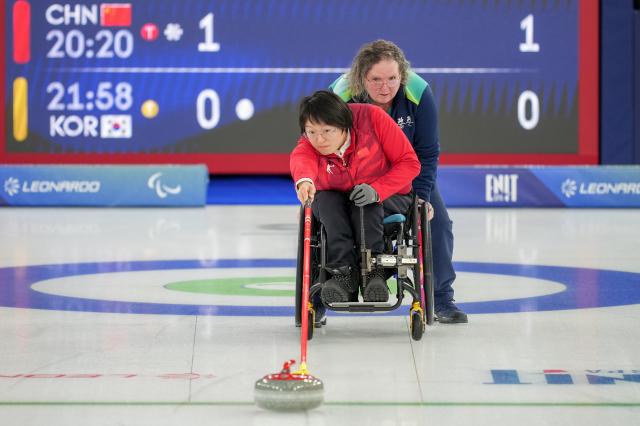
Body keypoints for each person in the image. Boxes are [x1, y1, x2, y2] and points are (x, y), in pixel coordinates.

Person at [330, 39, 467, 323]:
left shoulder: (419, 92)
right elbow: (322, 148)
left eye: (392, 78)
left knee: (438, 223)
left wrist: (423, 196)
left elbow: (428, 153)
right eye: (376, 79)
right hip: (355, 174)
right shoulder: (340, 96)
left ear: (401, 75)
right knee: (328, 217)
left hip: (404, 172)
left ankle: (441, 299)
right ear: (360, 78)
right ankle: (319, 299)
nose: (385, 87)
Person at [291, 90, 420, 320]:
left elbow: (409, 163)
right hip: (337, 200)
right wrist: (304, 180)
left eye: (327, 132)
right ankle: (343, 276)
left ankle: (375, 273)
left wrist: (378, 189)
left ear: (344, 126)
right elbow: (302, 156)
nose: (319, 139)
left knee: (364, 203)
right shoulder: (311, 139)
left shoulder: (373, 118)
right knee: (327, 203)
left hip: (388, 195)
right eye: (311, 132)